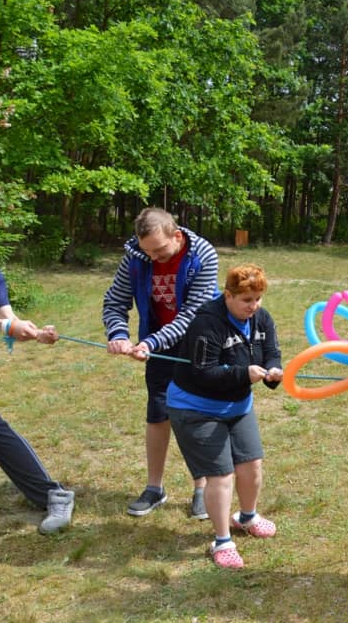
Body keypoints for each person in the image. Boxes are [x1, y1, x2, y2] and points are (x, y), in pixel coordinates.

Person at [102, 207, 218, 518]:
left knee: (195, 414)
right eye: (147, 251)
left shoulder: (204, 255)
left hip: (198, 342)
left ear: (177, 236)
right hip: (155, 343)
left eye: (160, 250)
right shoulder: (137, 256)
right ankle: (155, 488)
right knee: (158, 411)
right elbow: (115, 300)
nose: (153, 258)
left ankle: (202, 488)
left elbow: (192, 314)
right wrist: (119, 333)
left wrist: (150, 344)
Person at [167, 264, 281, 569]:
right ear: (228, 295)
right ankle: (221, 540)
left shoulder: (262, 318)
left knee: (252, 465)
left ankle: (247, 517)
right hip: (195, 408)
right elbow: (203, 373)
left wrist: (273, 372)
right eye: (246, 300)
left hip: (236, 406)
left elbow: (271, 352)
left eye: (257, 298)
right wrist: (244, 374)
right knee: (221, 475)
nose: (253, 306)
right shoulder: (207, 322)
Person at [0, 257, 74, 534]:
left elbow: (7, 317)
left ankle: (53, 496)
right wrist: (6, 327)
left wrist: (33, 333)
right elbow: (3, 325)